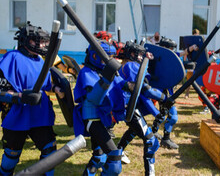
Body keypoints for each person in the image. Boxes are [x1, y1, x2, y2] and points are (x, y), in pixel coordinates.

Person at [0, 22, 64, 176]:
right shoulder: (11, 58)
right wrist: (19, 96)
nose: (42, 45)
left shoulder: (41, 61)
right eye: (39, 41)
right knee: (11, 157)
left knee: (50, 154)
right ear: (26, 40)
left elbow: (45, 84)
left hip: (39, 115)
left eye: (44, 42)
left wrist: (57, 89)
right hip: (17, 116)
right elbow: (1, 91)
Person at [73, 40, 127, 176]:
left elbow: (124, 86)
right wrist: (107, 78)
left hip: (103, 119)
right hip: (92, 119)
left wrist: (139, 86)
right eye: (106, 56)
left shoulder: (107, 72)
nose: (108, 60)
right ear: (94, 56)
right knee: (114, 159)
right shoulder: (87, 72)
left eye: (111, 56)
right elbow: (95, 98)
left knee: (99, 156)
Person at [116, 41, 161, 174]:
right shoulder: (131, 65)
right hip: (129, 109)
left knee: (134, 130)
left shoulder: (125, 65)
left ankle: (117, 153)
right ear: (132, 54)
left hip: (127, 108)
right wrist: (164, 100)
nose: (141, 57)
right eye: (139, 55)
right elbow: (145, 92)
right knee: (151, 142)